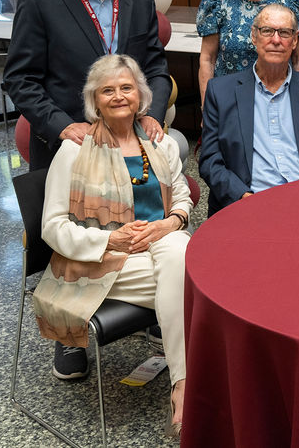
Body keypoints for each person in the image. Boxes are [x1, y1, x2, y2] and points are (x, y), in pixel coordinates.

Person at [34, 54, 191, 436]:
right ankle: (186, 387)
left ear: (140, 95)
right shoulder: (75, 150)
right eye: (108, 90)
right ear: (95, 100)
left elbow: (183, 195)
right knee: (192, 281)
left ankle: (184, 387)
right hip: (103, 261)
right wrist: (111, 238)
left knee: (179, 251)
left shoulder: (160, 142)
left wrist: (169, 222)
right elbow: (52, 228)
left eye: (127, 87)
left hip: (159, 246)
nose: (119, 96)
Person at [4, 0, 171, 170]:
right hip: (70, 147)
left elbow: (157, 69)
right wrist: (63, 126)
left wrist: (153, 115)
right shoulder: (39, 1)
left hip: (131, 141)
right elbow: (20, 79)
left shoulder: (140, 1)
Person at [199, 4, 299, 216]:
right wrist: (243, 197)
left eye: (284, 33)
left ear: (294, 40)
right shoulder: (221, 91)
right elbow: (210, 160)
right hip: (246, 204)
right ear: (254, 36)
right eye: (267, 31)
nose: (276, 40)